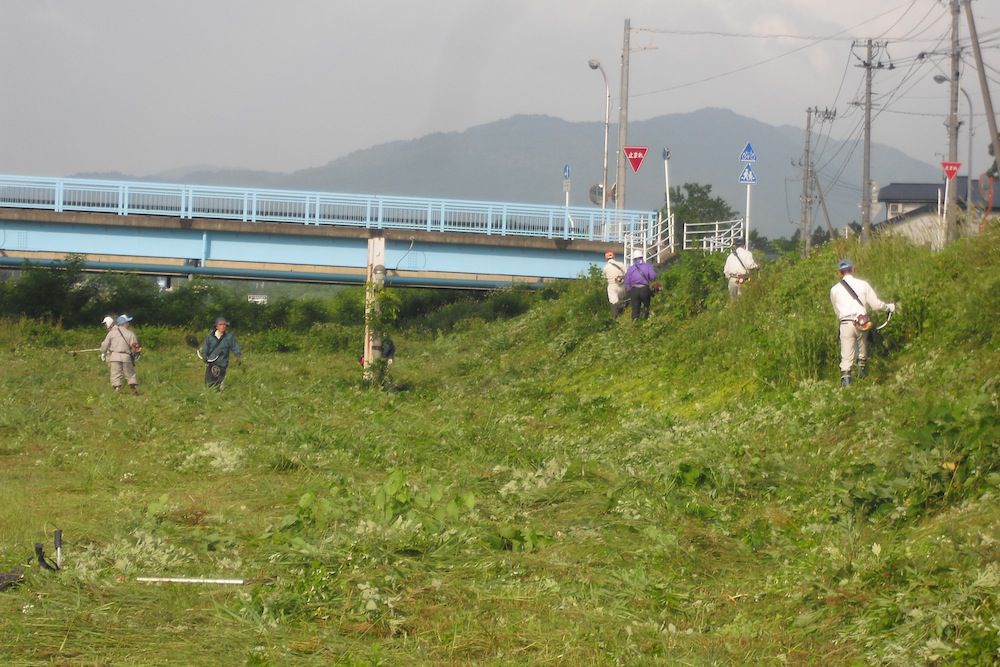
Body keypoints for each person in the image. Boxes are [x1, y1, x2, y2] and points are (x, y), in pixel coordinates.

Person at [830, 259, 896, 387]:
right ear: (853, 269)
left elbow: (837, 311)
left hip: (845, 322)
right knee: (862, 348)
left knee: (846, 355)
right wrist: (888, 307)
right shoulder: (863, 285)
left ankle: (846, 383)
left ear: (839, 273)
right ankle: (863, 375)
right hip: (862, 321)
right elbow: (876, 305)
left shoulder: (834, 290)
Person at [99, 314, 141, 395]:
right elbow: (135, 347)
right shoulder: (130, 334)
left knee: (115, 374)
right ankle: (133, 388)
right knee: (130, 374)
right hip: (126, 356)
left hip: (114, 356)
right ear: (124, 323)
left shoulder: (111, 333)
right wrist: (136, 354)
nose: (128, 324)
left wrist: (103, 352)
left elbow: (105, 345)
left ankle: (117, 389)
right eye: (127, 322)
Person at [200, 316, 242, 390]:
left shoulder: (229, 337)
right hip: (211, 362)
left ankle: (220, 396)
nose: (223, 326)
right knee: (209, 383)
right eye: (220, 324)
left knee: (220, 384)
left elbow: (235, 347)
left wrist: (238, 356)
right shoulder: (210, 337)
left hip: (223, 363)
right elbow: (205, 347)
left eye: (224, 325)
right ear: (216, 326)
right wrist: (204, 355)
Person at [624, 249, 656, 321]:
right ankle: (646, 320)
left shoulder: (630, 268)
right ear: (642, 257)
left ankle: (635, 322)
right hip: (644, 289)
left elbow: (627, 282)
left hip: (634, 290)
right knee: (646, 306)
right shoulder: (647, 266)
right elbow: (653, 277)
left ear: (634, 259)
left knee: (635, 309)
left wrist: (629, 290)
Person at [601, 251, 627, 317]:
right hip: (622, 286)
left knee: (613, 302)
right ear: (614, 257)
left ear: (606, 258)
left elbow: (604, 278)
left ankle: (615, 317)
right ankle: (623, 311)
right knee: (622, 299)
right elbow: (627, 273)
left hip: (612, 286)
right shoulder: (621, 264)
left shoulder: (605, 267)